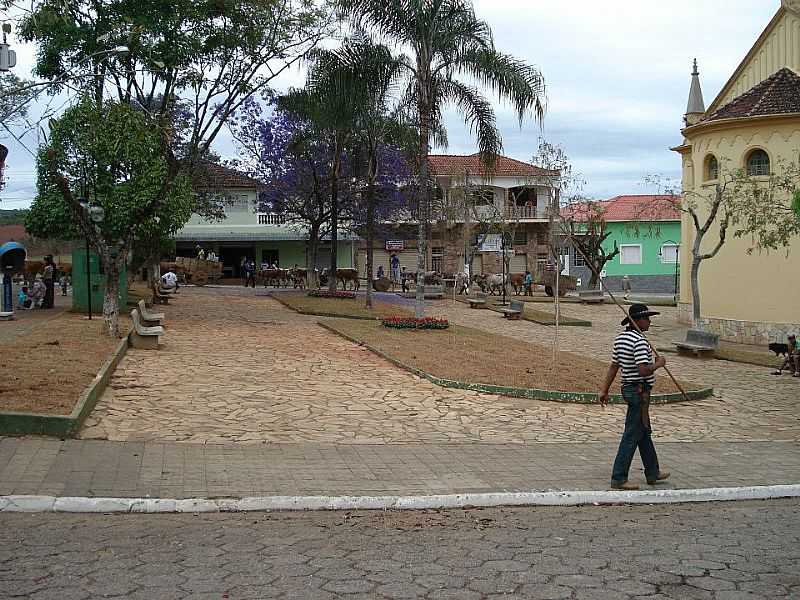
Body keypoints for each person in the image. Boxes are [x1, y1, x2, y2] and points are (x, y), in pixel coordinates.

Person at [598, 303, 670, 490]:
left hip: (629, 389)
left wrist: (604, 390)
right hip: (639, 392)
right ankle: (619, 477)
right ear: (637, 320)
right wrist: (658, 364)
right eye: (646, 318)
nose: (649, 322)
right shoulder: (639, 341)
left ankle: (652, 472)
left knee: (643, 432)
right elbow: (643, 370)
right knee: (631, 435)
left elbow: (614, 366)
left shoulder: (621, 338)